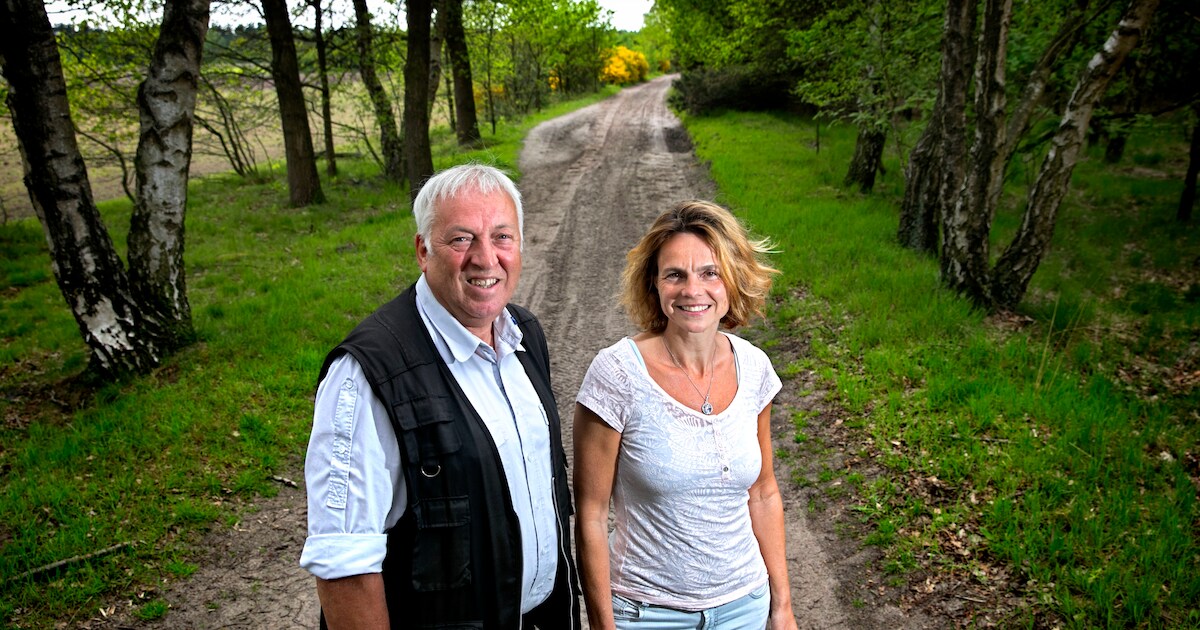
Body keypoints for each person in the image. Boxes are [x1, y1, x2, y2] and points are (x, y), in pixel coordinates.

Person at [300, 163, 580, 629]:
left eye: (502, 237)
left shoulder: (524, 335)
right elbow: (344, 564)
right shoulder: (368, 373)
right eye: (462, 239)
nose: (486, 258)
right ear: (422, 250)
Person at [573, 200, 797, 630]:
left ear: (732, 279)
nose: (693, 290)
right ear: (654, 285)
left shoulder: (754, 368)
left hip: (745, 607)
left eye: (710, 273)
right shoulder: (617, 374)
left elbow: (763, 492)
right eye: (675, 275)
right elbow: (591, 515)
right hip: (646, 612)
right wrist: (602, 625)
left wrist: (781, 607)